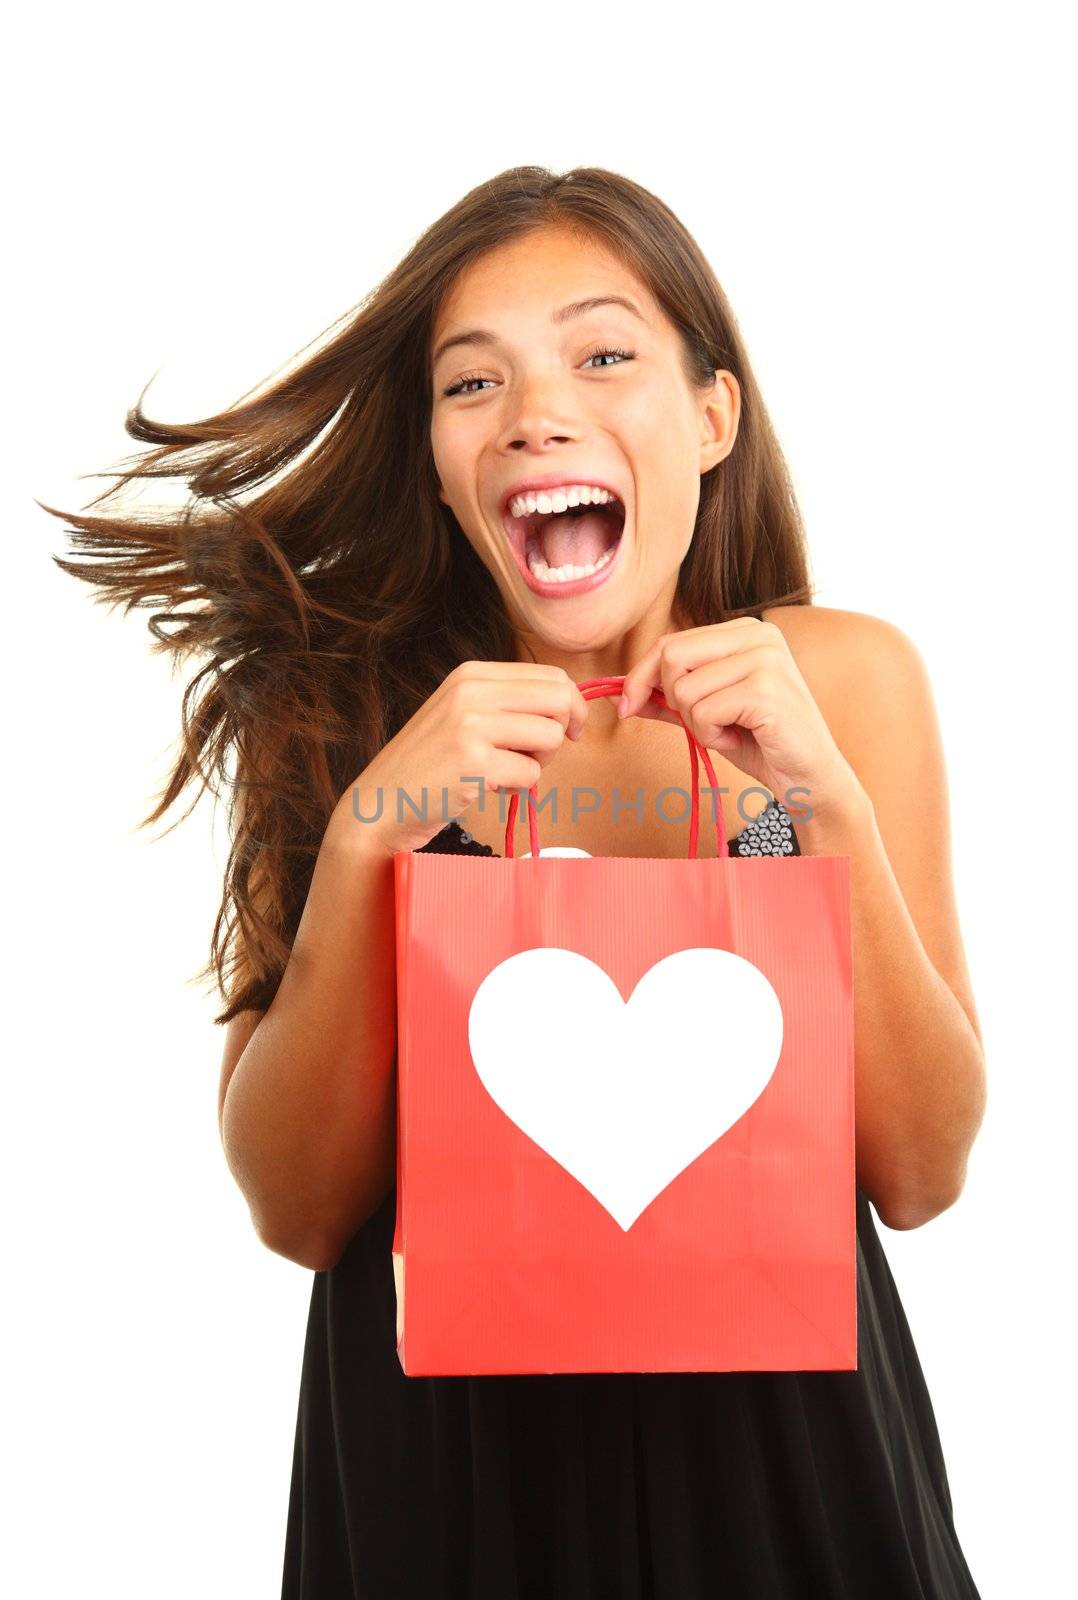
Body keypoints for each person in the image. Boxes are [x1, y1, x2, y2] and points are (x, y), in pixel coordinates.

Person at [49, 165, 988, 1598]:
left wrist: (822, 812)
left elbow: (921, 1173)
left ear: (711, 416)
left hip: (785, 1462)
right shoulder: (342, 713)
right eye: (470, 383)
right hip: (438, 1467)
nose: (536, 410)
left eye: (603, 354)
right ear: (435, 458)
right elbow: (296, 1208)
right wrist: (381, 826)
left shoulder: (844, 681)